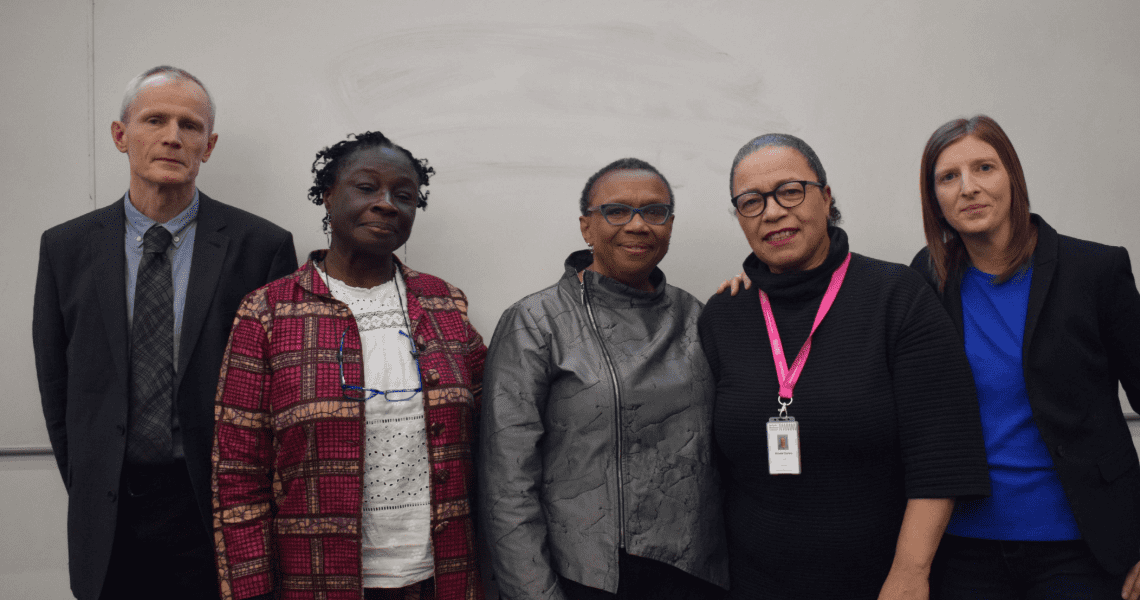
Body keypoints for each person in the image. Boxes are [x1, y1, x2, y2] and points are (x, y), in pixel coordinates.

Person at [31, 65, 296, 600]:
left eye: (190, 125)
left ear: (210, 145)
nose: (174, 136)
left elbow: (280, 393)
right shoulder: (66, 249)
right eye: (155, 119)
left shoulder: (260, 246)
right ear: (120, 135)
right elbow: (58, 388)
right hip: (110, 512)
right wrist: (90, 480)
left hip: (218, 511)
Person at [910, 115, 1140, 600]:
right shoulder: (928, 276)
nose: (969, 188)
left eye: (984, 167)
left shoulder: (1095, 271)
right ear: (934, 200)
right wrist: (753, 288)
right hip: (964, 548)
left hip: (1081, 544)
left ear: (1013, 178)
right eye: (948, 177)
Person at [700, 134, 991, 599]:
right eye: (751, 202)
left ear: (826, 196)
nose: (772, 212)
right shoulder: (723, 315)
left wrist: (910, 573)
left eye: (790, 191)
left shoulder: (897, 296)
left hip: (879, 581)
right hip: (753, 582)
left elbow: (942, 454)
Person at [212, 131, 486, 600]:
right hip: (316, 578)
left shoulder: (445, 305)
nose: (387, 204)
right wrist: (250, 588)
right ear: (327, 195)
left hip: (440, 576)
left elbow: (491, 435)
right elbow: (237, 472)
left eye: (404, 196)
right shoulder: (268, 312)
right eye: (366, 187)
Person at [479, 158, 728, 600]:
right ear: (586, 227)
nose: (638, 225)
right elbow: (506, 480)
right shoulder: (536, 322)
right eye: (616, 211)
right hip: (587, 577)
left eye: (655, 211)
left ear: (670, 225)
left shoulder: (697, 315)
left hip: (696, 573)